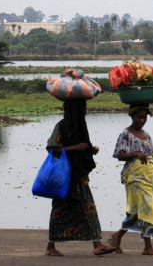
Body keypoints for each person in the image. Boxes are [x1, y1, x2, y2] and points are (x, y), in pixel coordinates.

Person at [45, 98, 116, 256]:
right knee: (60, 210)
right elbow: (52, 148)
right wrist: (76, 147)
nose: (85, 110)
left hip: (79, 176)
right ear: (74, 110)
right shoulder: (62, 126)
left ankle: (97, 244)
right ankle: (51, 247)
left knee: (88, 208)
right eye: (82, 108)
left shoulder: (80, 127)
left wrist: (89, 150)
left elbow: (83, 146)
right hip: (65, 177)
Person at [108, 105, 153, 255]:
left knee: (137, 210)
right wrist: (135, 154)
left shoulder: (146, 135)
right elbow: (120, 155)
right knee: (148, 207)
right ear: (132, 116)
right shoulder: (126, 134)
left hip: (149, 177)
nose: (141, 121)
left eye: (144, 118)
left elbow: (152, 157)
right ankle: (148, 246)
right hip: (134, 177)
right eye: (138, 117)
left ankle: (117, 236)